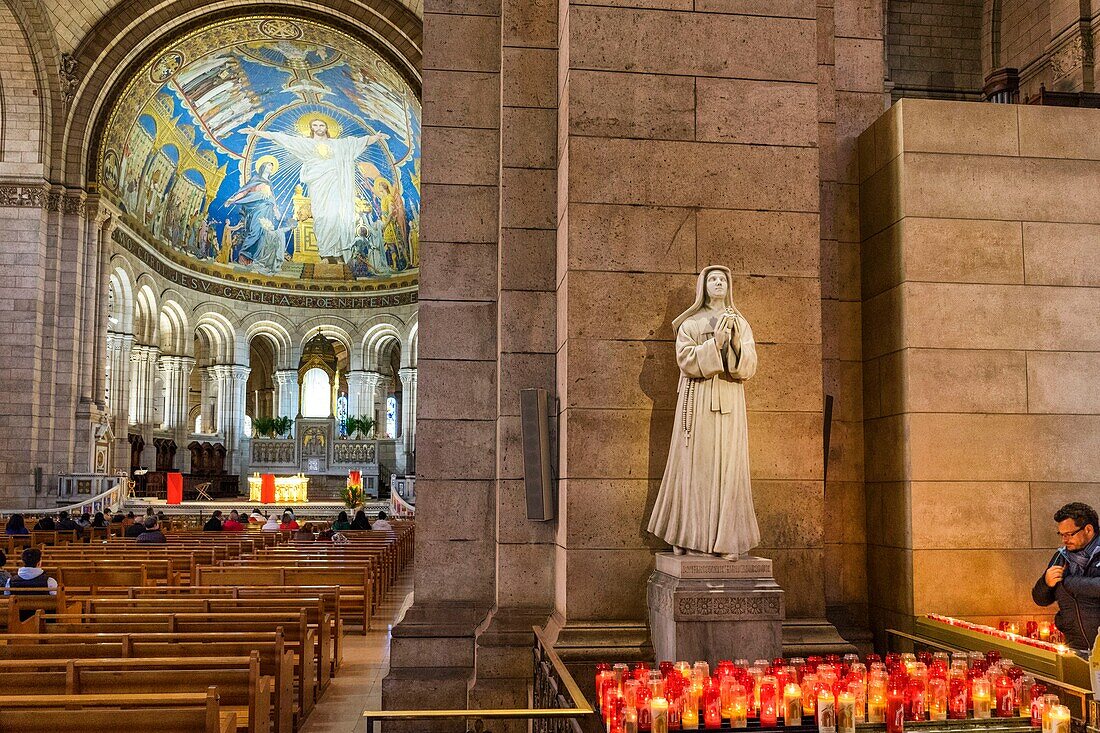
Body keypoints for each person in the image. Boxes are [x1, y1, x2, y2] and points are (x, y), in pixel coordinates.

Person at [647, 265, 760, 559]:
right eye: (713, 279)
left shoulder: (740, 323)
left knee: (729, 469)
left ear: (729, 285)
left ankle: (727, 540)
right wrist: (715, 344)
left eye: (723, 279)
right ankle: (689, 536)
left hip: (730, 402)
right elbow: (685, 360)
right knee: (696, 468)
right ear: (704, 286)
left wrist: (733, 341)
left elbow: (748, 364)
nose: (719, 283)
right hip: (698, 400)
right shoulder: (690, 324)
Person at [240, 120, 388, 262]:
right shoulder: (307, 144)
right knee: (321, 216)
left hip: (336, 184)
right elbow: (284, 139)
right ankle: (325, 253)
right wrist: (257, 133)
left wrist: (376, 137)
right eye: (315, 125)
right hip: (318, 185)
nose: (319, 127)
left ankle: (337, 253)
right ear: (311, 128)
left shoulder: (339, 144)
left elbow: (358, 142)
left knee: (337, 215)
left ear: (327, 127)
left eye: (322, 125)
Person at [1033, 502, 1100, 650]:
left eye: (1069, 534)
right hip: (1074, 646)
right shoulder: (1062, 557)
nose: (1064, 540)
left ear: (1088, 529)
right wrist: (1046, 583)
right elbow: (1040, 599)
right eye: (1061, 535)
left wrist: (1068, 582)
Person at [6, 547, 58, 619]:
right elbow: (56, 601)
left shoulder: (10, 581)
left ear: (23, 562)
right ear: (39, 562)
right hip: (44, 621)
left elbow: (7, 600)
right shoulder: (49, 581)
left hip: (18, 620)